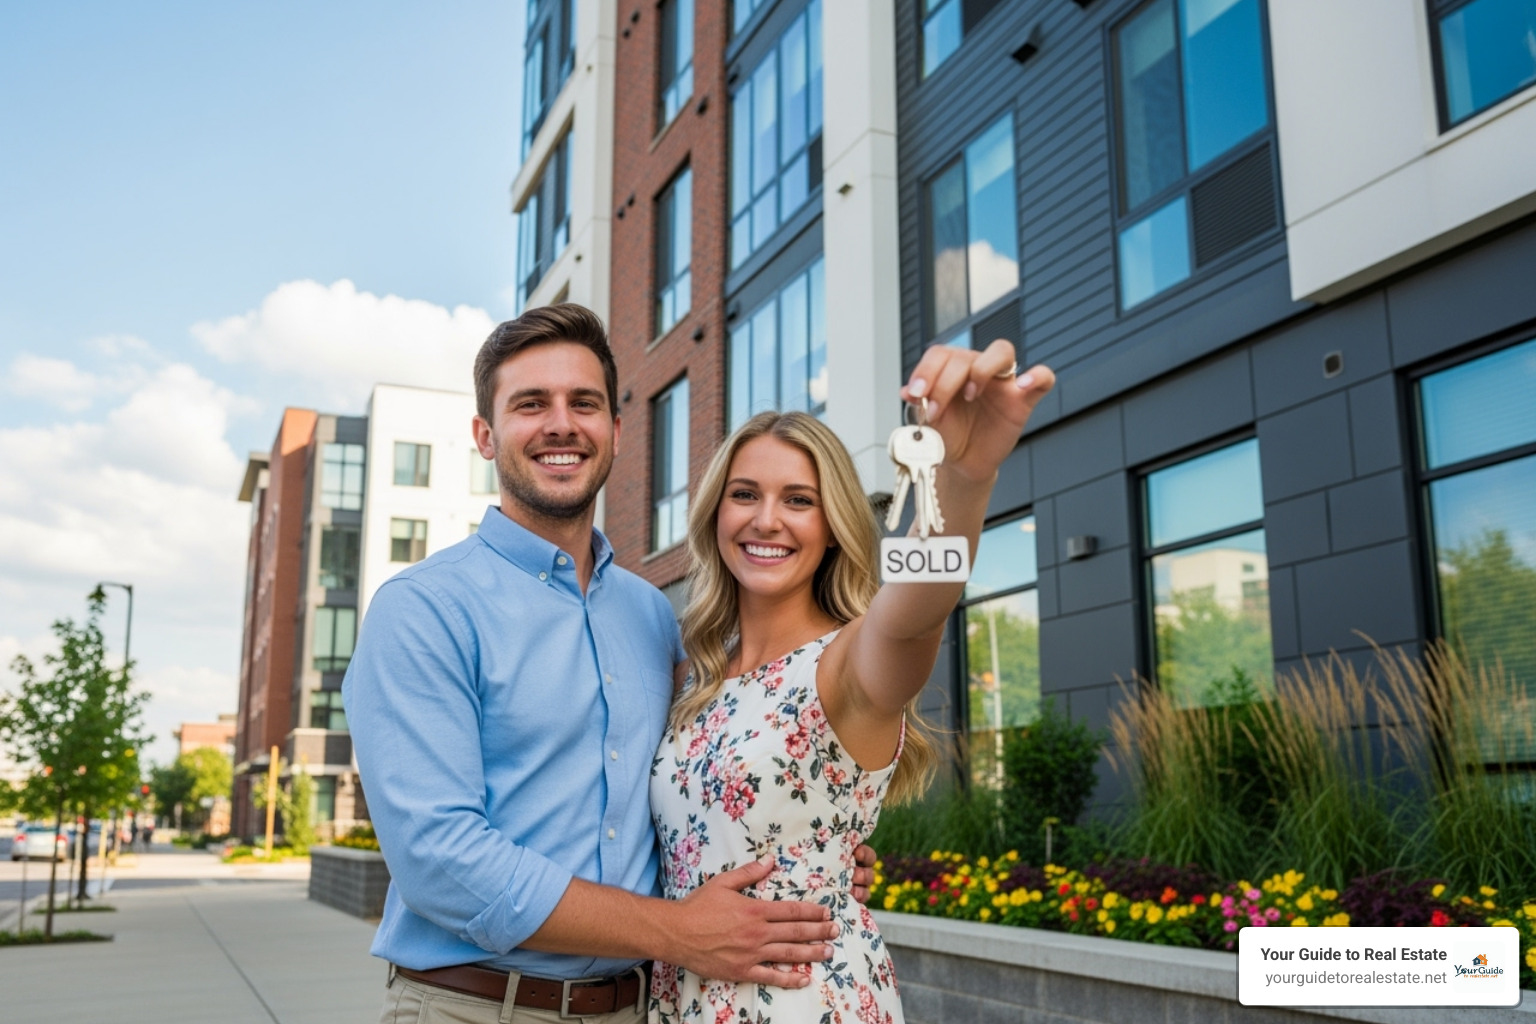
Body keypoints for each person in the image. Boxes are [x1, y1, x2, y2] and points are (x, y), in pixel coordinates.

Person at [344, 304, 873, 1024]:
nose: (561, 424)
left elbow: (693, 788)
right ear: (485, 435)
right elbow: (441, 861)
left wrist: (807, 851)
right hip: (473, 1008)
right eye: (531, 404)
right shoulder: (424, 610)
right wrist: (676, 931)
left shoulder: (651, 616)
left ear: (617, 432)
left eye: (584, 403)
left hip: (637, 1010)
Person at [649, 341, 1053, 1022]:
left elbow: (917, 611)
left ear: (833, 526)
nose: (766, 519)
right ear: (716, 514)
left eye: (798, 500)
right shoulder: (696, 678)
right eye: (744, 495)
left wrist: (964, 475)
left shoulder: (846, 662)